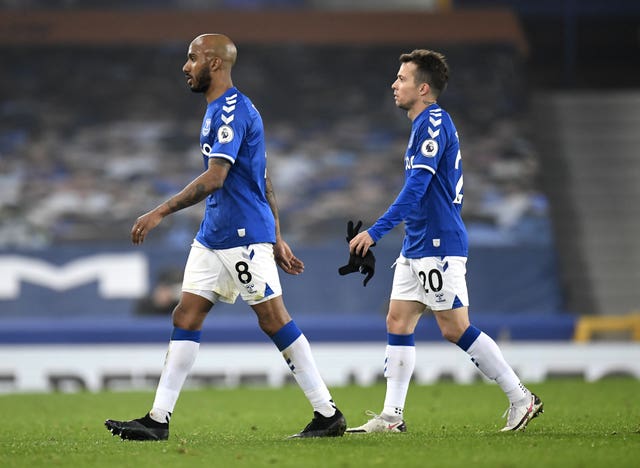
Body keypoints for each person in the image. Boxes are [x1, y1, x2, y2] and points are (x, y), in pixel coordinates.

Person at [105, 33, 346, 441]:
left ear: (215, 63)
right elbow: (262, 178)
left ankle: (327, 414)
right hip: (213, 234)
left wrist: (160, 210)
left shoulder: (233, 110)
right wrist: (279, 234)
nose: (186, 66)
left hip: (242, 236)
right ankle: (158, 420)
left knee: (273, 319)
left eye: (192, 58)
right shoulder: (217, 109)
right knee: (185, 315)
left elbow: (217, 178)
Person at [344, 49, 543, 433]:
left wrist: (376, 231)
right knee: (398, 321)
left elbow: (417, 186)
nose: (394, 84)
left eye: (401, 78)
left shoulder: (434, 122)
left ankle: (521, 397)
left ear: (423, 88)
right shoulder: (421, 124)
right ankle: (391, 417)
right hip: (417, 243)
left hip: (438, 243)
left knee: (454, 327)